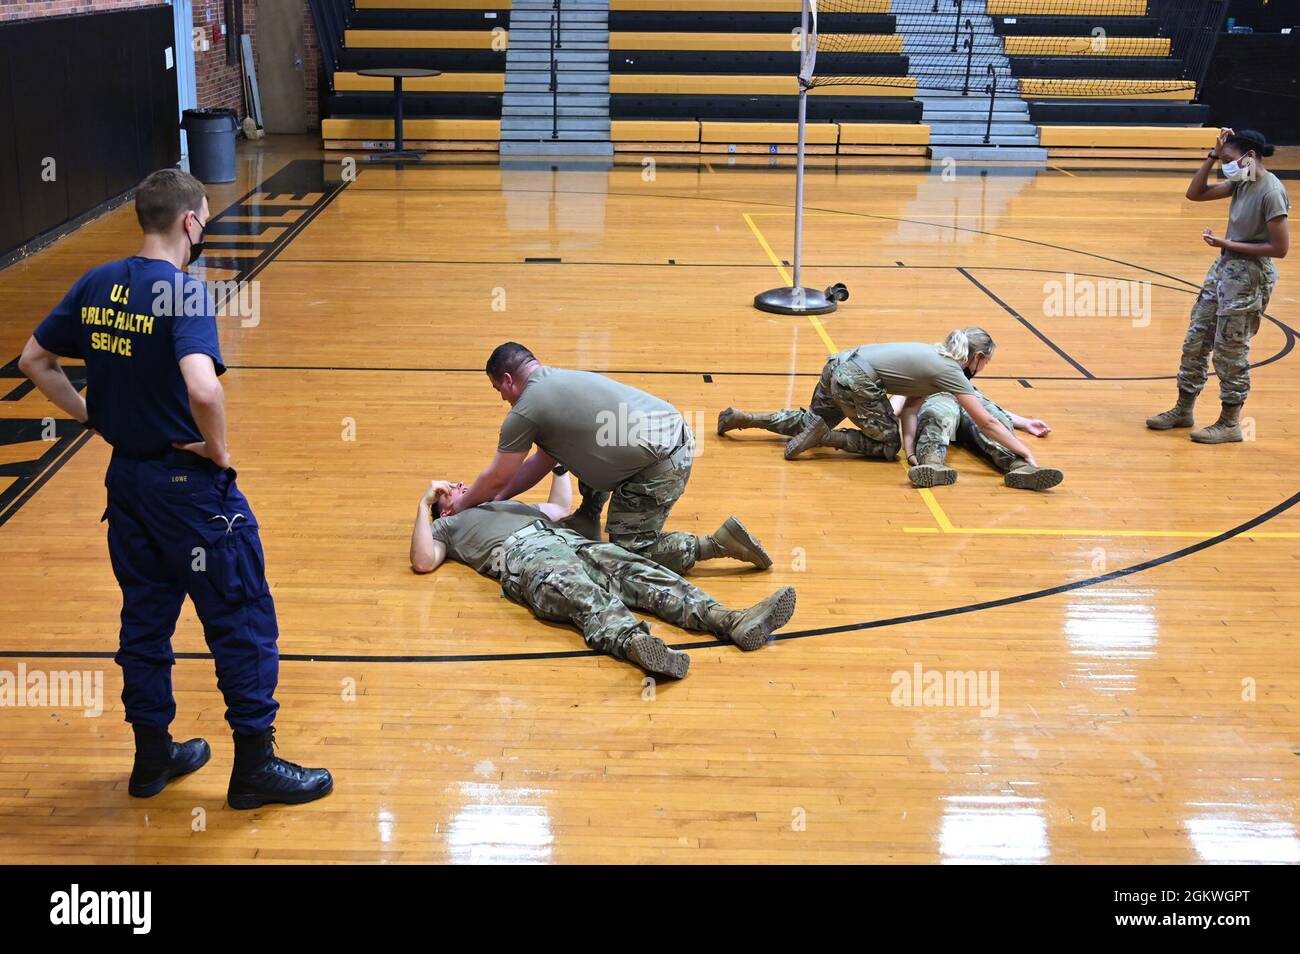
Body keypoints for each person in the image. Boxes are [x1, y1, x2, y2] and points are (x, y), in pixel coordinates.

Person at [17, 168, 331, 809]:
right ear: (191, 221)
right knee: (240, 618)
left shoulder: (96, 283)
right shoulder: (184, 295)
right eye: (206, 216)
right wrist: (217, 449)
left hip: (127, 486)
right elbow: (204, 386)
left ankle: (152, 756)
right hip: (188, 492)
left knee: (145, 621)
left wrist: (92, 416)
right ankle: (254, 766)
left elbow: (33, 361)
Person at [410, 472, 798, 679]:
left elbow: (560, 507)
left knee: (644, 574)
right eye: (450, 491)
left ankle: (732, 621)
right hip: (526, 557)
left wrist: (558, 466)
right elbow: (423, 560)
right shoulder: (449, 527)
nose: (459, 486)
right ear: (444, 511)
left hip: (568, 540)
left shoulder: (505, 504)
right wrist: (424, 502)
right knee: (584, 596)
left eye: (458, 483)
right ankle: (638, 646)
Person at [446, 342, 773, 577]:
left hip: (659, 466)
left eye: (497, 389)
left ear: (507, 379)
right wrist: (494, 500)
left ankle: (718, 544)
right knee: (576, 444)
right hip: (669, 433)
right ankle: (588, 516)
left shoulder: (526, 410)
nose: (502, 397)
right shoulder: (558, 381)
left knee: (629, 553)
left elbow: (499, 475)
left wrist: (464, 505)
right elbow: (540, 463)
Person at [717, 328, 1058, 486]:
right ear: (978, 357)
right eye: (986, 363)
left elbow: (910, 408)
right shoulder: (951, 371)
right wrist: (1024, 450)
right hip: (858, 381)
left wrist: (911, 452)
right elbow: (986, 422)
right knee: (885, 447)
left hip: (839, 365)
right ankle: (823, 440)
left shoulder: (933, 355)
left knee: (813, 420)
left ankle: (747, 418)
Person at [1148, 127, 1289, 443]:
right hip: (1224, 269)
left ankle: (1230, 422)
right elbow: (1194, 194)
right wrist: (1212, 156)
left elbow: (1279, 249)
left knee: (1230, 349)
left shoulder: (1271, 191)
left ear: (1249, 156)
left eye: (1228, 159)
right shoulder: (1242, 181)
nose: (1225, 164)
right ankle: (1183, 409)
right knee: (1196, 338)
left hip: (1249, 276)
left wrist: (1228, 242)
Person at [904, 390, 1063, 491]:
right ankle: (932, 464)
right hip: (938, 399)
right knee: (939, 415)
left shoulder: (965, 381)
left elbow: (989, 415)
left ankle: (1020, 467)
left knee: (991, 420)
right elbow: (901, 404)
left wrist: (1025, 422)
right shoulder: (923, 378)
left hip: (969, 404)